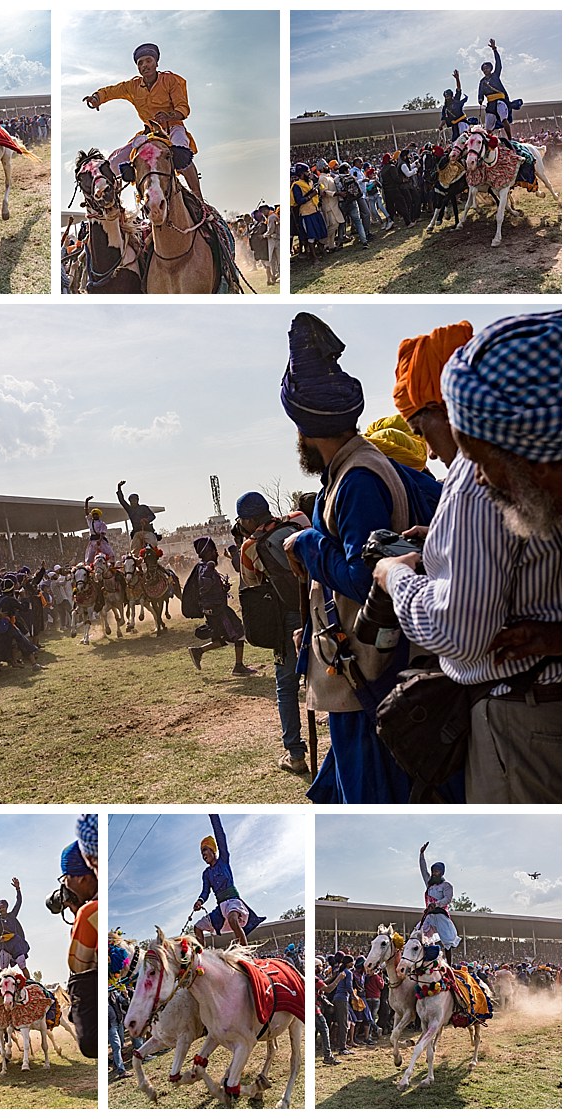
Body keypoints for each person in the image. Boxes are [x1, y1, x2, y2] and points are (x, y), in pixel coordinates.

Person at [378, 312, 561, 803]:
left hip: (523, 723)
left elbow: (461, 632)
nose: (476, 477)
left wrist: (396, 576)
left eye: (484, 459)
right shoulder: (510, 476)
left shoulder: (473, 484)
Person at [279, 312, 441, 804]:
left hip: (370, 675)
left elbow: (365, 575)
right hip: (360, 670)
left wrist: (307, 543)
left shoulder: (357, 481)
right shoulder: (351, 471)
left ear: (307, 429)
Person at [236, 490, 310, 775]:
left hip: (289, 618)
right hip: (322, 606)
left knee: (286, 687)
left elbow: (251, 580)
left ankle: (295, 753)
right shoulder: (298, 520)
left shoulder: (249, 547)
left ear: (250, 519)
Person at [83, 43, 202, 197]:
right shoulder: (133, 86)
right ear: (138, 68)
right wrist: (97, 98)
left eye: (148, 60)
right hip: (149, 133)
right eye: (140, 63)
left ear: (156, 63)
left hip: (172, 127)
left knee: (181, 152)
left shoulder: (171, 80)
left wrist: (169, 116)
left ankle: (199, 198)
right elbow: (112, 91)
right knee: (114, 163)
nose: (145, 65)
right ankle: (114, 208)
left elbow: (183, 108)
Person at [192, 814, 265, 947]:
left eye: (205, 850)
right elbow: (205, 892)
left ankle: (245, 954)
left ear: (213, 850)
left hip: (233, 902)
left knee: (232, 919)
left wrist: (213, 815)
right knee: (197, 927)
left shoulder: (223, 860)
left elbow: (220, 834)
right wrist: (199, 901)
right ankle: (202, 958)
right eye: (201, 853)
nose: (203, 855)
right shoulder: (206, 874)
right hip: (220, 908)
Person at [186, 537, 254, 675]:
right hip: (218, 610)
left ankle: (198, 651)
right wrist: (212, 576)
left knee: (225, 637)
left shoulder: (202, 567)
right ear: (208, 552)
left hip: (214, 609)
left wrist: (222, 589)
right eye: (214, 551)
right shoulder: (207, 567)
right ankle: (238, 667)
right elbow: (205, 587)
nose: (217, 554)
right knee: (239, 632)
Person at [62, 818, 98, 1061]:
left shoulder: (87, 914)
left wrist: (78, 917)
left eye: (67, 878)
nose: (65, 884)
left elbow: (78, 967)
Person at [417, 842, 460, 965]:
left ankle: (449, 965)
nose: (434, 873)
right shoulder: (429, 884)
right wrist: (421, 854)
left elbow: (447, 899)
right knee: (419, 933)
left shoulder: (446, 885)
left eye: (437, 871)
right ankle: (422, 961)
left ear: (441, 872)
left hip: (441, 915)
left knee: (447, 941)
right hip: (429, 915)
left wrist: (436, 905)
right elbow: (423, 870)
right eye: (433, 871)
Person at [0, 878, 31, 978]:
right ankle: (2, 989)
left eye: (3, 907)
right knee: (2, 970)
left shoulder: (12, 916)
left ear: (6, 907)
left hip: (16, 944)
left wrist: (18, 889)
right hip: (4, 946)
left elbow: (19, 902)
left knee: (23, 965)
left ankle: (30, 983)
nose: (2, 909)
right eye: (0, 908)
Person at [478, 38, 516, 140]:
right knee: (488, 128)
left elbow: (498, 63)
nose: (485, 70)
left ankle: (510, 139)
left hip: (500, 101)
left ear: (490, 69)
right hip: (490, 104)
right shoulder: (482, 82)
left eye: (487, 68)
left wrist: (494, 49)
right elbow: (480, 92)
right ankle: (488, 143)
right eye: (484, 69)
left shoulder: (495, 75)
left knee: (504, 120)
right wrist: (480, 99)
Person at [116, 481, 158, 550]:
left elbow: (152, 516)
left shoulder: (143, 507)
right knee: (134, 552)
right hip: (136, 533)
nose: (133, 501)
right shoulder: (130, 510)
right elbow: (121, 500)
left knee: (153, 545)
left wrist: (146, 520)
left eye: (134, 499)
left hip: (147, 531)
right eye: (131, 500)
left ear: (137, 500)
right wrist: (119, 488)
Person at [83, 498, 116, 564]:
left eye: (96, 514)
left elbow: (102, 533)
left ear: (99, 515)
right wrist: (86, 501)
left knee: (111, 554)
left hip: (101, 541)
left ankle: (112, 567)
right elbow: (86, 512)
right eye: (94, 514)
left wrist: (99, 540)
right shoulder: (90, 521)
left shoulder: (102, 523)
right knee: (89, 559)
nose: (95, 515)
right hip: (92, 542)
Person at [440, 70, 470, 141]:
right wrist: (440, 126)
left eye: (448, 95)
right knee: (455, 140)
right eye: (446, 96)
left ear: (451, 95)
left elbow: (458, 89)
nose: (447, 97)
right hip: (454, 125)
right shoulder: (445, 108)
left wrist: (457, 79)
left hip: (462, 122)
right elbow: (444, 119)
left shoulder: (456, 100)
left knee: (464, 138)